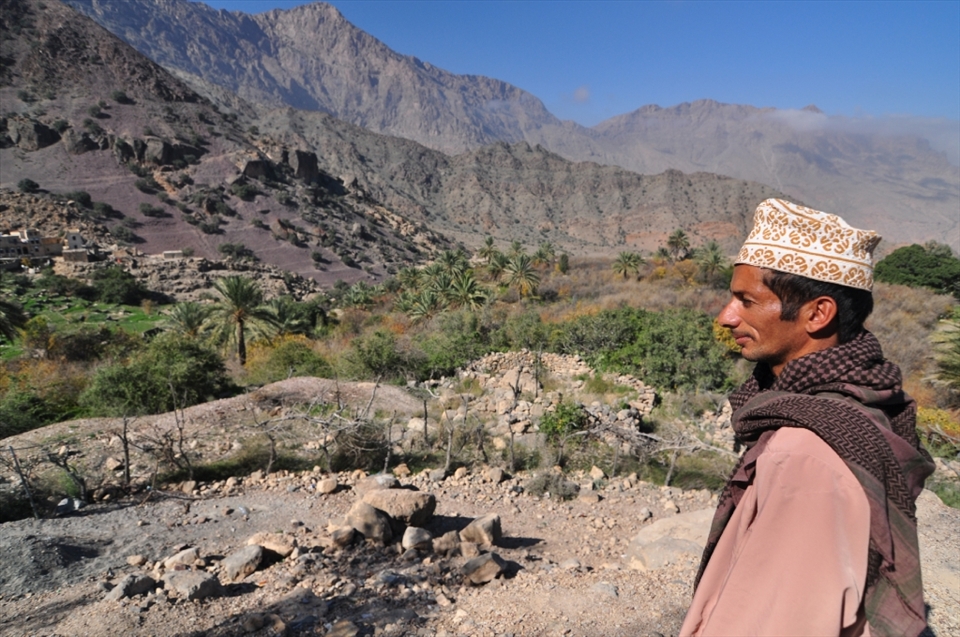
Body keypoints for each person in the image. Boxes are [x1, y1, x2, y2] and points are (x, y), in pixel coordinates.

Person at [679, 199, 935, 637]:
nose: (726, 316)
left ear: (818, 314)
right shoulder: (862, 400)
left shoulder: (805, 455)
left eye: (746, 300)